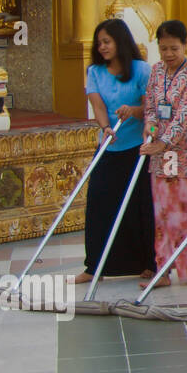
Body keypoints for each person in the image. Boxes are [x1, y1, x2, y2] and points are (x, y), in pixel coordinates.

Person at [140, 20, 187, 288]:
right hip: (163, 156)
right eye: (163, 49)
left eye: (174, 48)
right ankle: (163, 267)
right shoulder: (156, 71)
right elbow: (150, 106)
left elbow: (185, 114)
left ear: (185, 45)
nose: (169, 54)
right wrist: (150, 131)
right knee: (165, 212)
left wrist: (163, 142)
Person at [77, 19, 154, 283]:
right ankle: (94, 266)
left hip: (138, 147)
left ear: (120, 41)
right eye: (99, 43)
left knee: (140, 205)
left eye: (106, 42)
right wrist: (105, 127)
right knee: (99, 202)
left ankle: (148, 263)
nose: (102, 47)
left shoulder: (142, 69)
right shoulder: (95, 72)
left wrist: (133, 111)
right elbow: (98, 105)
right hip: (109, 144)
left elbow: (151, 106)